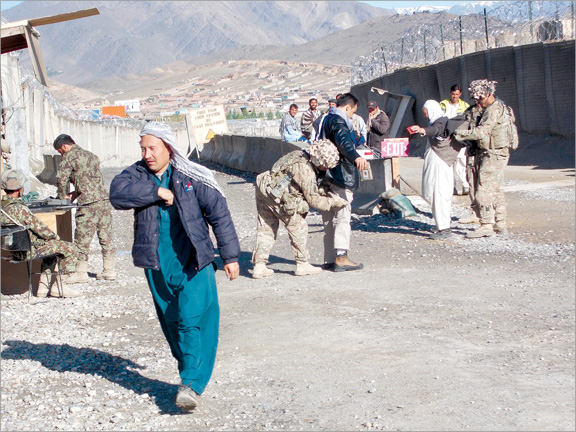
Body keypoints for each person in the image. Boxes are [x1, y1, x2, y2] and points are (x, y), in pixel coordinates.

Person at [109, 121, 240, 412]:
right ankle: (189, 372)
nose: (147, 154)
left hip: (195, 261)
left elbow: (220, 215)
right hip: (157, 264)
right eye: (142, 148)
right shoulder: (138, 174)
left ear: (168, 148)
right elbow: (117, 195)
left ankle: (192, 384)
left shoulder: (192, 176)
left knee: (192, 319)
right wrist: (155, 193)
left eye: (152, 148)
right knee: (172, 323)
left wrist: (230, 257)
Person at [252, 140, 348, 279]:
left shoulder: (297, 155)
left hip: (264, 187)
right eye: (325, 166)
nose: (326, 169)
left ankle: (259, 266)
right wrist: (334, 202)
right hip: (278, 196)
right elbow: (314, 200)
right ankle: (302, 263)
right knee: (298, 226)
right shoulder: (307, 170)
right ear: (319, 161)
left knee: (266, 227)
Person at [1, 169, 81, 297]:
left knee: (50, 253)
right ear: (19, 188)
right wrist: (55, 237)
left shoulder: (2, 207)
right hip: (27, 251)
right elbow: (41, 229)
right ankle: (60, 286)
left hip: (14, 251)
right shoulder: (19, 209)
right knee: (71, 249)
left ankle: (43, 290)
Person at [453, 80, 512, 238]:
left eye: (480, 98)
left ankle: (486, 224)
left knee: (483, 188)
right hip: (490, 152)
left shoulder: (494, 109)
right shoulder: (492, 108)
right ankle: (500, 223)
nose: (478, 102)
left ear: (489, 94)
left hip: (493, 153)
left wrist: (459, 134)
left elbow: (482, 132)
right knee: (496, 189)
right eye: (475, 99)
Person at [54, 134, 116, 283]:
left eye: (60, 152)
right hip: (103, 200)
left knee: (82, 238)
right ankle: (109, 270)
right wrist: (76, 192)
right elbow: (89, 179)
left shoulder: (69, 156)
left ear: (64, 147)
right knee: (106, 236)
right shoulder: (92, 156)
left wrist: (62, 196)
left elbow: (61, 178)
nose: (62, 154)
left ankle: (81, 272)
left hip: (88, 203)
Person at [317, 93, 368, 271]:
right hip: (340, 175)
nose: (352, 117)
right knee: (342, 215)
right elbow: (344, 143)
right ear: (347, 107)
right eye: (352, 112)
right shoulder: (339, 121)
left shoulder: (324, 119)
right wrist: (356, 157)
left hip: (324, 176)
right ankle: (341, 256)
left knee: (328, 217)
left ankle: (329, 258)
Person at [409, 101, 466, 239]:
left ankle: (444, 228)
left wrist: (422, 130)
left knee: (439, 194)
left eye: (426, 112)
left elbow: (437, 130)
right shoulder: (437, 121)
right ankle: (441, 225)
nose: (426, 116)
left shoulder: (441, 122)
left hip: (439, 166)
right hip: (437, 165)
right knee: (435, 194)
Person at [440, 84, 471, 196]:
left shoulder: (465, 105)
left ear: (460, 94)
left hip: (460, 137)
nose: (455, 96)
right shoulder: (443, 104)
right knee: (449, 162)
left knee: (462, 161)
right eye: (453, 94)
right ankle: (451, 186)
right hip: (447, 137)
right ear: (450, 93)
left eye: (457, 94)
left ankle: (465, 185)